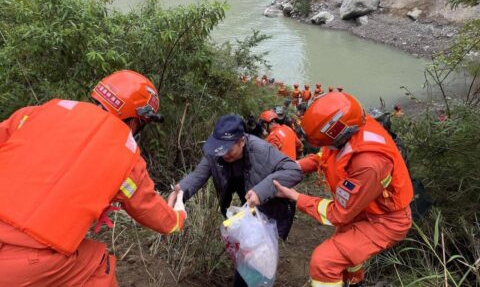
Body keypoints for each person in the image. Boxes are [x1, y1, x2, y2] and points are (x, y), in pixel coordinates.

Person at [0, 70, 187, 286]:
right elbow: (151, 210)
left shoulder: (37, 112)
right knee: (99, 267)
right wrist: (178, 217)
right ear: (137, 121)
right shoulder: (127, 158)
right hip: (24, 262)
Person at [274, 92, 413, 287]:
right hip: (366, 209)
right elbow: (325, 156)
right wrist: (296, 166)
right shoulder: (348, 130)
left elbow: (339, 214)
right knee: (346, 250)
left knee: (324, 261)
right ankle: (355, 283)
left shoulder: (368, 163)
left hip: (385, 220)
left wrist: (296, 197)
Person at [168, 114, 303, 287]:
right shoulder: (217, 151)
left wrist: (261, 192)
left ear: (242, 141)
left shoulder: (261, 150)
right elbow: (198, 175)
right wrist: (179, 191)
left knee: (257, 258)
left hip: (269, 209)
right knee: (245, 252)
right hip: (244, 208)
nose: (223, 155)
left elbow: (294, 170)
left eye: (229, 150)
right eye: (220, 149)